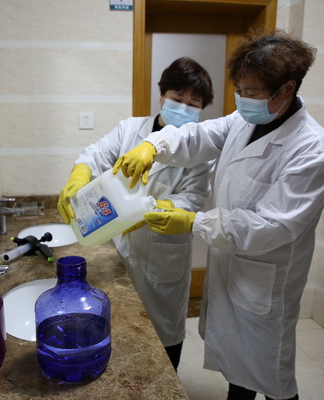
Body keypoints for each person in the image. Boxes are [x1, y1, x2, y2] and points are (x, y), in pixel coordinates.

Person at [113, 29, 324, 400]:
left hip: (266, 278)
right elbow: (197, 137)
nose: (243, 98)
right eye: (240, 89)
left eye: (253, 92)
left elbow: (273, 225)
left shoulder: (313, 150)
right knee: (238, 367)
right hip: (231, 266)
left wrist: (194, 222)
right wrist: (153, 146)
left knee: (273, 375)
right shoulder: (242, 121)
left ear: (287, 88)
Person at [57, 57, 215, 371]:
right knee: (121, 328)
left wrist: (153, 211)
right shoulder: (131, 129)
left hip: (163, 254)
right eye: (177, 97)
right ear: (162, 95)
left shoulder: (200, 151)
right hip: (121, 247)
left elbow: (193, 197)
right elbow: (96, 154)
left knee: (165, 332)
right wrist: (79, 175)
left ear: (201, 109)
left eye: (193, 103)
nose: (183, 106)